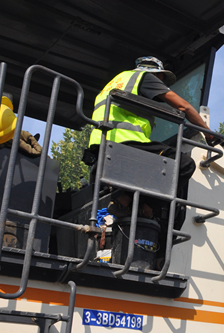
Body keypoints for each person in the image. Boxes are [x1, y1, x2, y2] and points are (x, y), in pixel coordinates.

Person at [87, 56, 212, 222]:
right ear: (155, 74)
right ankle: (143, 207)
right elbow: (184, 107)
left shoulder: (117, 81)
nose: (163, 85)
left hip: (101, 145)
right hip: (124, 144)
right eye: (162, 79)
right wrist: (208, 133)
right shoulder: (145, 78)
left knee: (156, 163)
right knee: (183, 164)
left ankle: (124, 199)